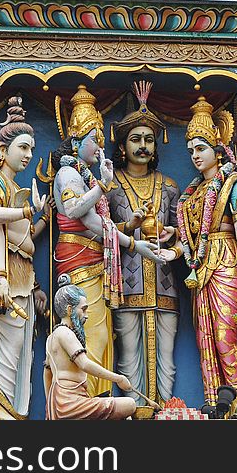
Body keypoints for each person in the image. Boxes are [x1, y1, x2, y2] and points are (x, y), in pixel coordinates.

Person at [52, 85, 164, 396]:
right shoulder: (68, 175)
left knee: (101, 337)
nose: (100, 147)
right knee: (88, 336)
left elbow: (100, 223)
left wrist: (129, 225)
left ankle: (96, 403)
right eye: (95, 140)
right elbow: (78, 212)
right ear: (76, 140)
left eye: (102, 140)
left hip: (93, 264)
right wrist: (104, 186)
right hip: (78, 263)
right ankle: (80, 403)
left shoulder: (84, 175)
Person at [177, 97, 237, 406]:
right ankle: (214, 405)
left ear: (217, 147)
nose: (195, 156)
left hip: (227, 261)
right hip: (199, 268)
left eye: (200, 148)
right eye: (190, 151)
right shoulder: (194, 192)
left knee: (226, 337)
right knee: (205, 339)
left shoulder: (232, 185)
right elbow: (190, 232)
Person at [107, 81, 180, 408]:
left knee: (166, 355)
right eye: (136, 139)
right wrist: (129, 226)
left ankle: (166, 412)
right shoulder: (111, 187)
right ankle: (135, 413)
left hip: (164, 282)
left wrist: (170, 235)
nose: (143, 146)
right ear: (122, 145)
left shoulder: (169, 186)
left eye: (149, 140)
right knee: (130, 354)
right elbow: (103, 231)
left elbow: (184, 231)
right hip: (126, 280)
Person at [0, 96, 48, 419]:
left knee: (22, 352)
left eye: (31, 148)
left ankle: (15, 415)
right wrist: (2, 279)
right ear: (3, 151)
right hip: (4, 272)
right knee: (9, 351)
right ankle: (6, 416)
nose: (29, 155)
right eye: (23, 147)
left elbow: (23, 237)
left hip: (22, 272)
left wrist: (43, 218)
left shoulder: (13, 186)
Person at [44, 274, 137, 420]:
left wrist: (50, 407)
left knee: (125, 416)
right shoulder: (65, 333)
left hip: (63, 401)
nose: (86, 315)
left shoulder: (52, 337)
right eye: (84, 309)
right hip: (70, 402)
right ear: (70, 310)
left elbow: (47, 373)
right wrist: (118, 378)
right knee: (129, 404)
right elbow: (84, 363)